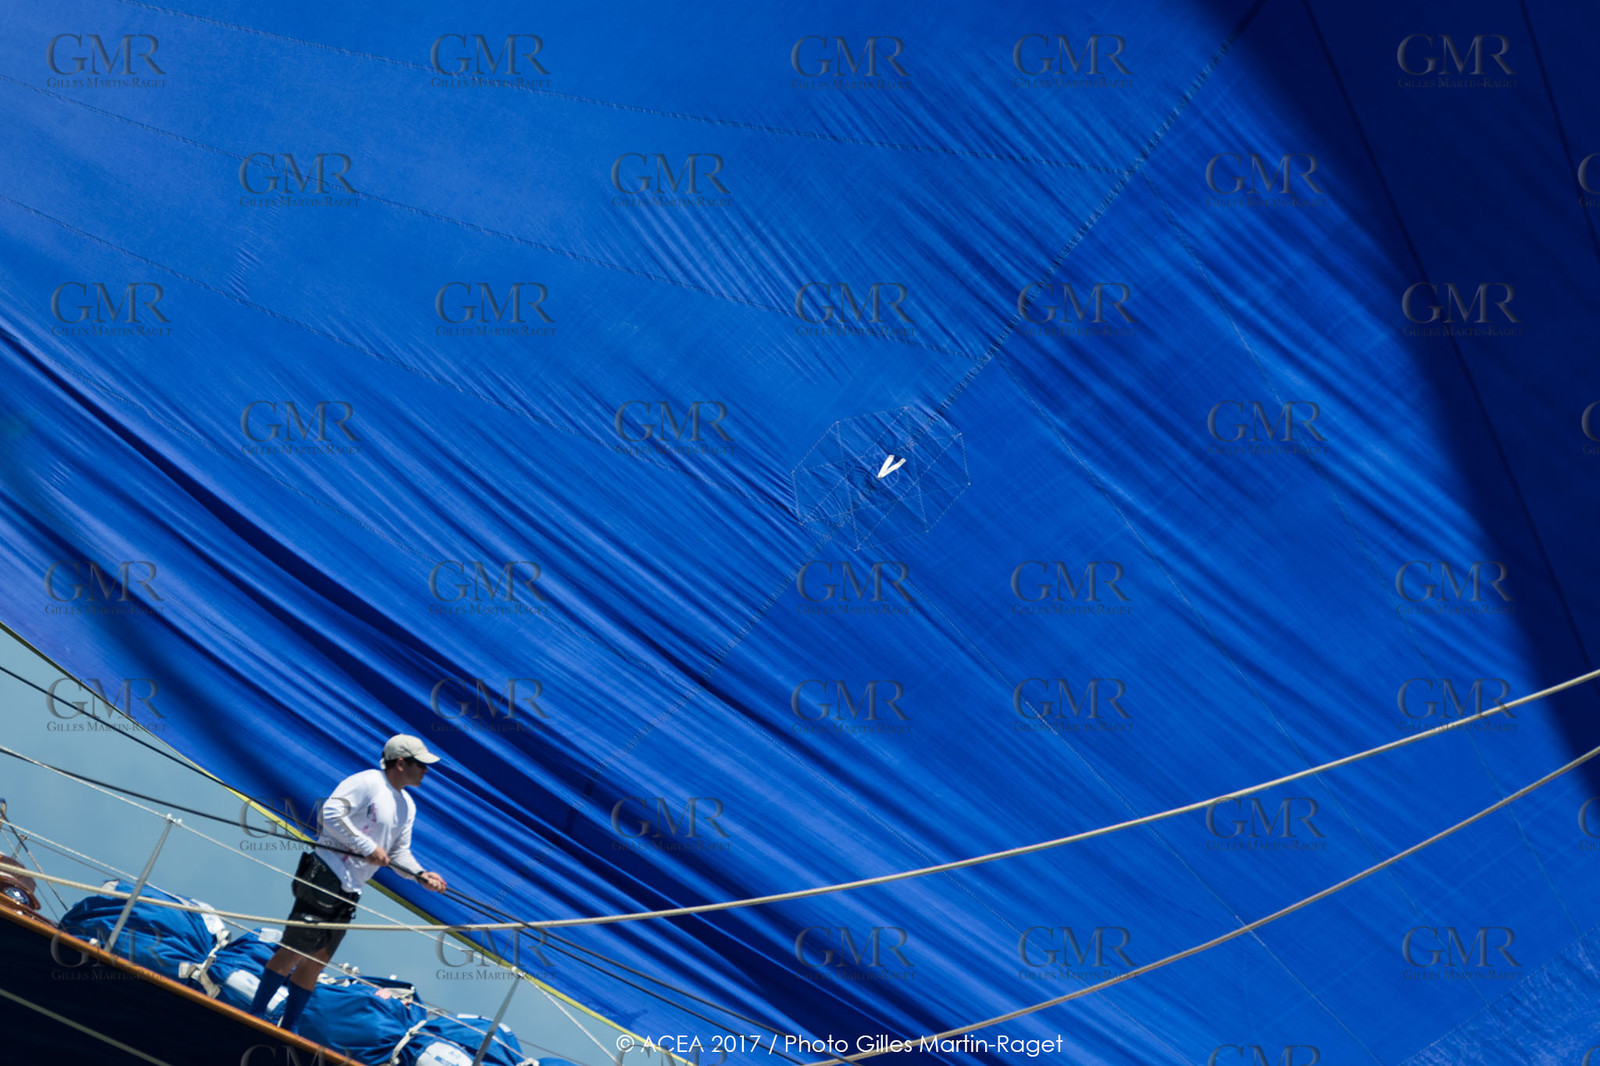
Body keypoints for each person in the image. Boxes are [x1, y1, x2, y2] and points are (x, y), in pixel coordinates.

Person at [249, 735, 449, 1032]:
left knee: (317, 961)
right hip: (325, 873)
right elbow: (330, 813)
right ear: (400, 763)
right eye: (420, 764)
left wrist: (421, 875)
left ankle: (288, 1029)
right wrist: (365, 846)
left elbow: (398, 854)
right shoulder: (368, 781)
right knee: (294, 949)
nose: (426, 770)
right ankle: (254, 1015)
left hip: (351, 889)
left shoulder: (407, 805)